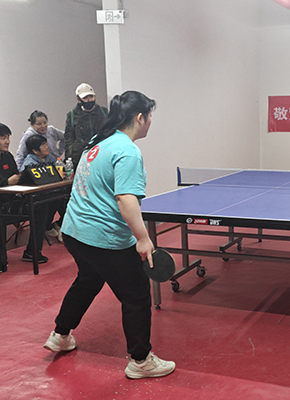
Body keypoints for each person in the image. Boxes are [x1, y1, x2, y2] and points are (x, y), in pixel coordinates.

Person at [43, 91, 175, 380]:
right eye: (150, 116)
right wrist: (143, 238)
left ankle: (61, 334)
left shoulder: (98, 141)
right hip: (102, 237)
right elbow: (126, 200)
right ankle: (140, 360)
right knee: (137, 295)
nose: (150, 121)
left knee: (88, 279)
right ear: (140, 117)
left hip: (74, 232)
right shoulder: (127, 151)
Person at [0, 124, 49, 271]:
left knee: (41, 206)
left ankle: (32, 252)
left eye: (8, 138)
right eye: (3, 138)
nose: (7, 141)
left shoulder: (7, 156)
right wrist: (6, 182)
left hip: (11, 201)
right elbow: (9, 181)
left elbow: (17, 177)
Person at [21, 134, 63, 242]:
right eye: (43, 145)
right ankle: (48, 226)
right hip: (36, 196)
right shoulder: (29, 163)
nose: (47, 147)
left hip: (51, 191)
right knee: (54, 201)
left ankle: (59, 225)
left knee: (66, 198)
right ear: (35, 150)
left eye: (46, 144)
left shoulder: (50, 158)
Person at [64, 83, 108, 168]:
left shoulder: (104, 112)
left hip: (102, 154)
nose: (89, 100)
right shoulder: (72, 116)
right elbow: (68, 139)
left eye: (91, 97)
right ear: (78, 99)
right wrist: (69, 160)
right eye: (85, 98)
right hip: (80, 157)